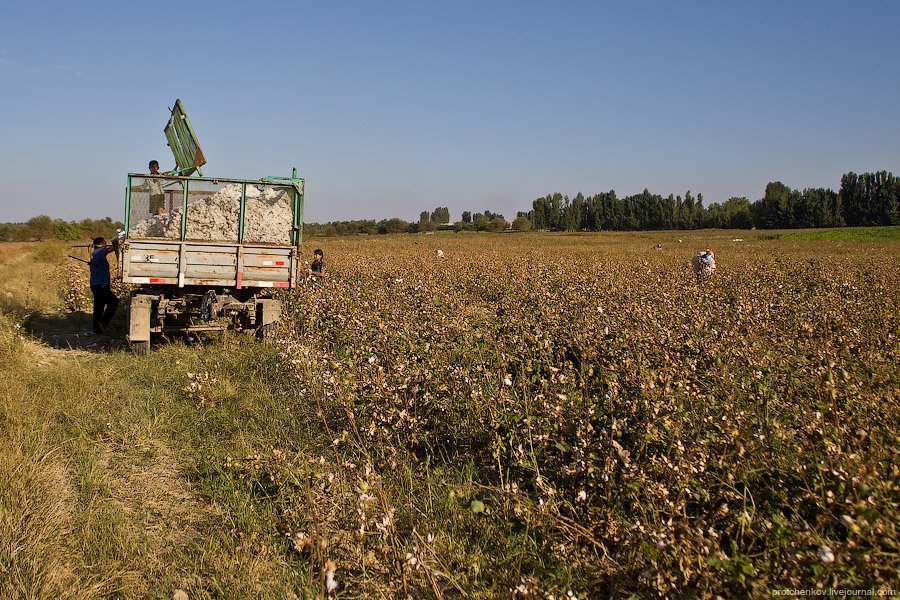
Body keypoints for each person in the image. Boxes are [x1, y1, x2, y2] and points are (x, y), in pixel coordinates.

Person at [89, 237, 119, 334]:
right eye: (104, 244)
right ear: (102, 244)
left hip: (96, 284)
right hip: (100, 285)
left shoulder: (95, 254)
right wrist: (116, 246)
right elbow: (107, 250)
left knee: (99, 306)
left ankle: (97, 330)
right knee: (114, 302)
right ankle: (103, 323)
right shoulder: (98, 253)